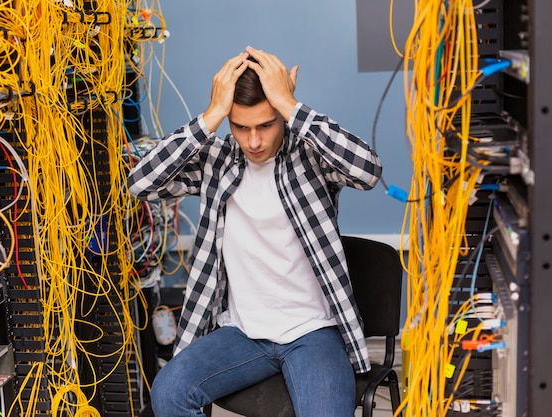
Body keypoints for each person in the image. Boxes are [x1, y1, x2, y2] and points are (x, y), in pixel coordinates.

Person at [128, 46, 382, 417]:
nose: (254, 141)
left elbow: (368, 171)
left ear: (281, 116)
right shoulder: (217, 161)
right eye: (241, 127)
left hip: (312, 332)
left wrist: (292, 105)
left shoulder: (310, 157)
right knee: (169, 393)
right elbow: (140, 183)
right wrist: (212, 116)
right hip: (241, 334)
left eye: (266, 124)